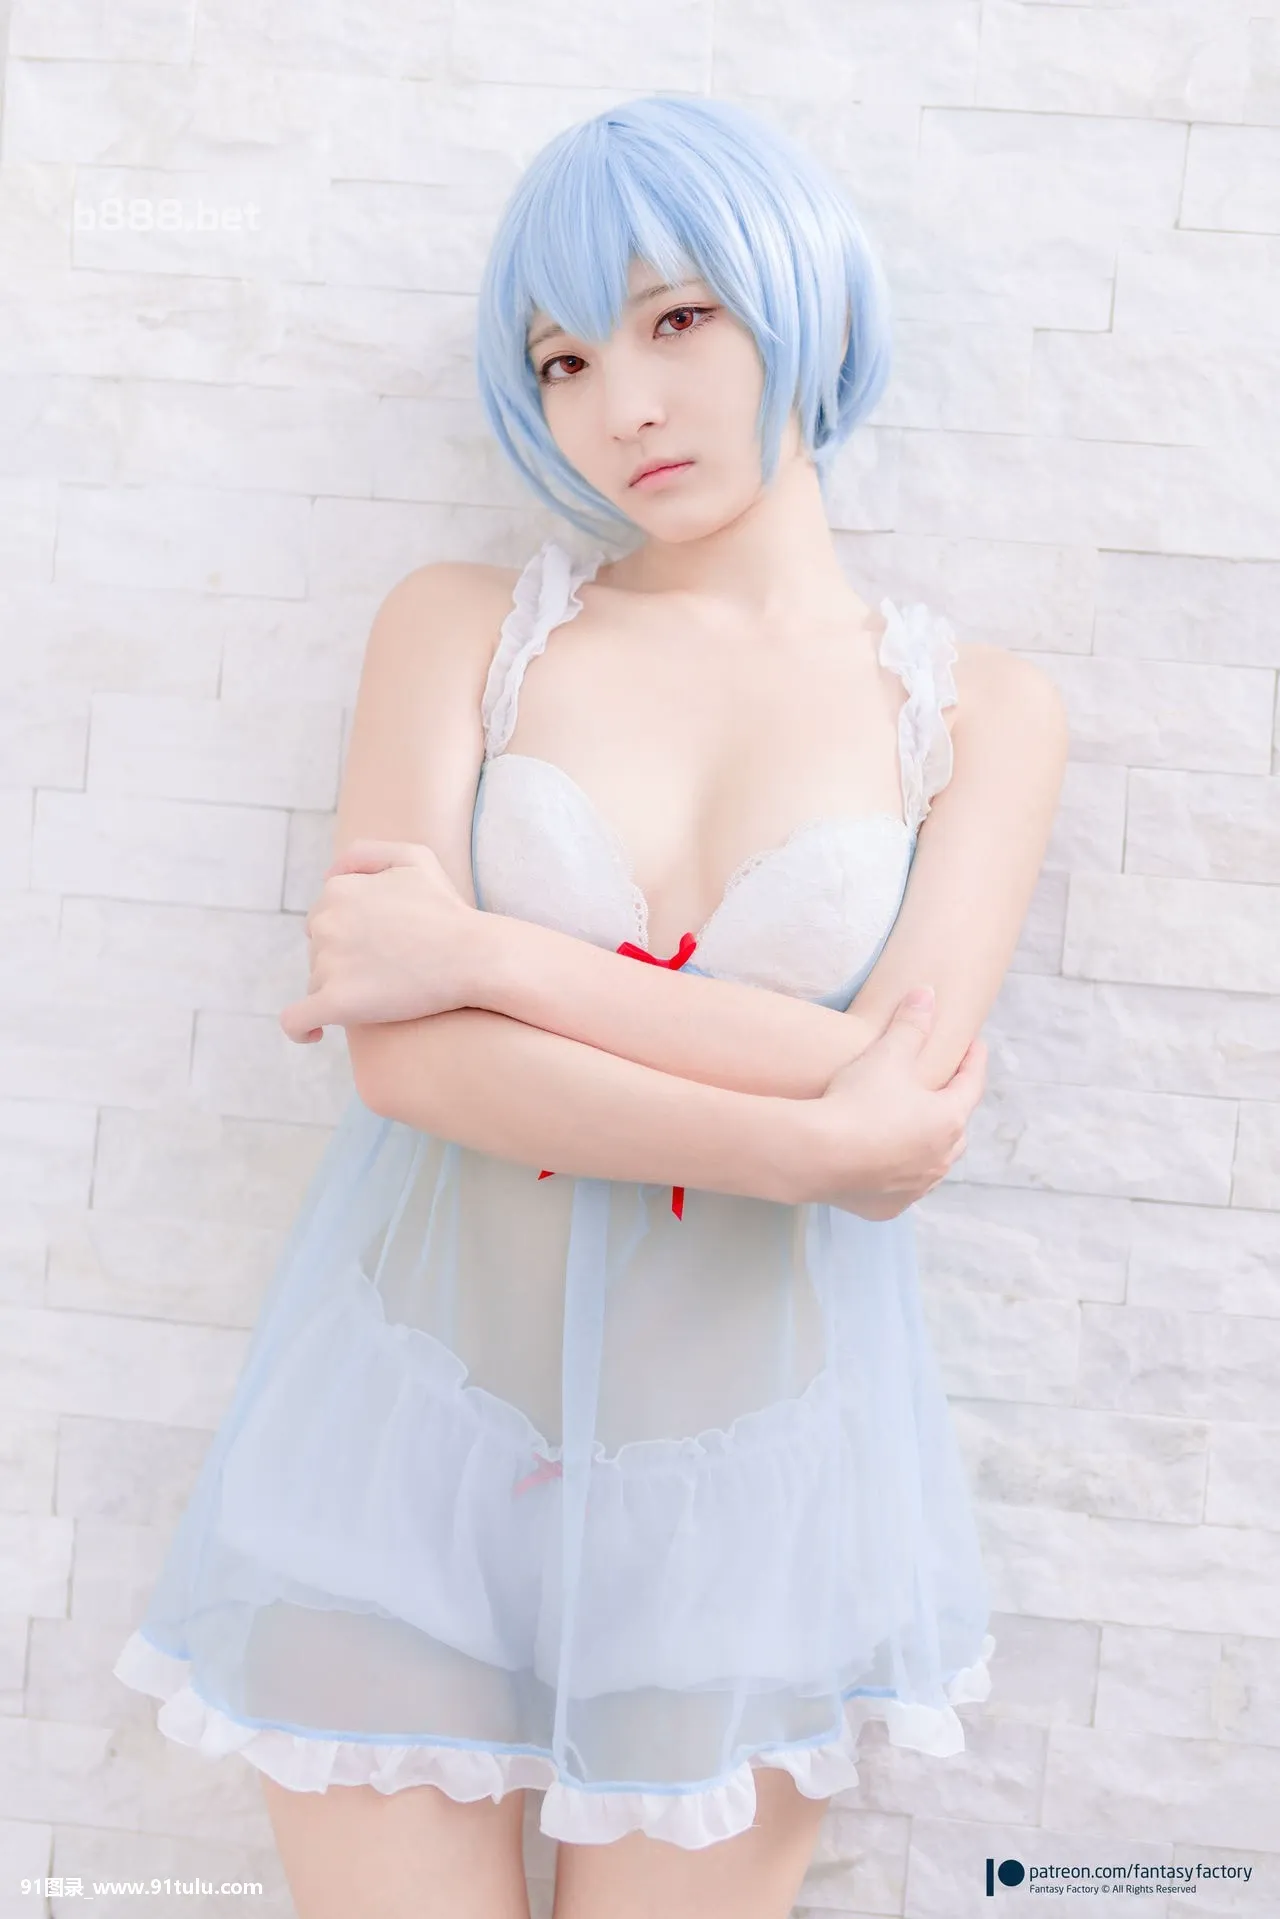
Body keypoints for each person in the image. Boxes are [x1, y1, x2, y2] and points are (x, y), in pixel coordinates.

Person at [112, 94, 1069, 1919]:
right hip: (408, 1442)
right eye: (564, 358)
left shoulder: (980, 713)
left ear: (801, 301)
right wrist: (809, 1134)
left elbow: (898, 1105)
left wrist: (493, 957)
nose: (622, 402)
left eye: (677, 319)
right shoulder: (463, 625)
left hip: (752, 1487)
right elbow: (405, 1059)